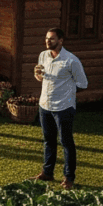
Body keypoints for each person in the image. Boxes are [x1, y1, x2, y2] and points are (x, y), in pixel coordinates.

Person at [31, 27, 88, 190]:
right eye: (47, 38)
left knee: (66, 142)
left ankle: (69, 178)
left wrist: (67, 92)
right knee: (49, 140)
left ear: (61, 41)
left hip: (64, 107)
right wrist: (38, 75)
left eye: (52, 39)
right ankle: (47, 172)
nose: (48, 41)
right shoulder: (43, 55)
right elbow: (41, 76)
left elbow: (83, 84)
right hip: (45, 105)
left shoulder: (71, 61)